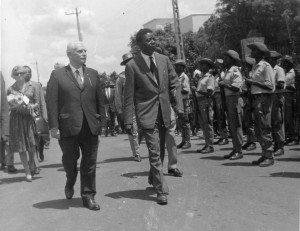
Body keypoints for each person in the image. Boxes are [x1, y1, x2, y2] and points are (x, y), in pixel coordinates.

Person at [123, 28, 183, 205]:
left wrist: (178, 106)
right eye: (149, 40)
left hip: (164, 112)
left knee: (161, 149)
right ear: (140, 44)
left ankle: (153, 177)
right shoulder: (132, 66)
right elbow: (129, 95)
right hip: (146, 114)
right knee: (154, 152)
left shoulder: (164, 60)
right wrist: (128, 120)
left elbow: (175, 83)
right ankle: (161, 189)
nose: (154, 42)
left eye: (154, 39)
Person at [47, 41, 105, 211]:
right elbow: (52, 103)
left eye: (85, 50)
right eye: (80, 51)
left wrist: (102, 122)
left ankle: (88, 196)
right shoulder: (57, 75)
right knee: (70, 161)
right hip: (67, 127)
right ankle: (70, 180)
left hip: (90, 125)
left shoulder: (93, 74)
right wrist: (54, 127)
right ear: (69, 54)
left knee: (90, 162)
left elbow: (100, 100)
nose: (84, 53)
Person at [7, 66, 40, 181]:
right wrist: (15, 104)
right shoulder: (10, 89)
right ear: (13, 76)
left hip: (28, 118)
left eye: (21, 73)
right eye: (17, 74)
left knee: (31, 144)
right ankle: (27, 172)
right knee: (22, 147)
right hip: (16, 120)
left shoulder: (31, 87)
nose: (19, 75)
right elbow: (9, 106)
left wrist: (31, 106)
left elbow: (37, 102)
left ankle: (31, 162)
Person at [245, 42, 275, 167]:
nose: (252, 52)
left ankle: (269, 155)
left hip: (263, 98)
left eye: (254, 49)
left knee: (264, 127)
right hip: (255, 98)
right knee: (258, 128)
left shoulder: (265, 66)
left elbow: (270, 86)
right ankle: (264, 154)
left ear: (260, 52)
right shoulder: (255, 66)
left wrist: (253, 82)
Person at [115, 52, 141, 162]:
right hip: (129, 108)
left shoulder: (139, 73)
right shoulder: (121, 78)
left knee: (144, 129)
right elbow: (117, 95)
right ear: (125, 64)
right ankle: (136, 153)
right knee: (133, 131)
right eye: (127, 62)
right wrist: (120, 111)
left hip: (141, 106)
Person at [220, 50, 244, 160]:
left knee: (236, 125)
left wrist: (225, 84)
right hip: (228, 99)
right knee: (232, 125)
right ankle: (235, 148)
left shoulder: (235, 71)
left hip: (234, 99)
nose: (224, 60)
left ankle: (239, 150)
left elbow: (236, 87)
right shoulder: (228, 71)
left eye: (226, 58)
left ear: (231, 59)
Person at [24, 66, 46, 168]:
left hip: (36, 117)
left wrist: (45, 117)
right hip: (24, 118)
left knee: (37, 140)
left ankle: (35, 159)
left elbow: (42, 102)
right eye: (26, 72)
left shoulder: (37, 85)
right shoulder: (17, 87)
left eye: (30, 72)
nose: (29, 73)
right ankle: (34, 162)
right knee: (29, 141)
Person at [193, 58, 215, 154]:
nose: (201, 66)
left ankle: (210, 145)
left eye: (203, 64)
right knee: (203, 124)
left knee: (208, 123)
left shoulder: (209, 77)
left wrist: (196, 90)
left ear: (207, 66)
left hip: (205, 101)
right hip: (200, 101)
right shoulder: (202, 77)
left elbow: (209, 92)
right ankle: (207, 144)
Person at [266, 51, 286, 156]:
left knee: (278, 121)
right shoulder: (269, 69)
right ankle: (276, 144)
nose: (269, 60)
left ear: (275, 60)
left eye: (271, 59)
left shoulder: (279, 70)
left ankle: (280, 146)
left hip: (277, 96)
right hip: (270, 96)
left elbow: (281, 84)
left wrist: (269, 85)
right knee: (272, 122)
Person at [0, 72, 17, 173]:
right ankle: (2, 161)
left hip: (4, 115)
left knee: (6, 140)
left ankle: (10, 163)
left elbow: (3, 104)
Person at [282, 55, 299, 146]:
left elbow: (294, 87)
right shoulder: (285, 72)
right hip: (285, 95)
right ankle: (290, 135)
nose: (284, 64)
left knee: (291, 117)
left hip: (291, 95)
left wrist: (283, 86)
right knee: (287, 117)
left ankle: (295, 137)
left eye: (286, 62)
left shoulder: (293, 73)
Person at [240, 57, 257, 151]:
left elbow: (250, 87)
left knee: (251, 121)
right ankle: (249, 140)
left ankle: (253, 142)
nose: (244, 67)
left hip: (250, 98)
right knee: (247, 121)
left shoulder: (252, 74)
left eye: (246, 65)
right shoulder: (245, 75)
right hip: (245, 99)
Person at [174, 59, 191, 149]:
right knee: (181, 122)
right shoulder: (177, 76)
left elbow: (186, 90)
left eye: (177, 66)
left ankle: (187, 141)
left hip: (184, 101)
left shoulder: (184, 77)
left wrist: (177, 90)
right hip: (179, 102)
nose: (175, 67)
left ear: (182, 67)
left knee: (185, 122)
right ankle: (183, 140)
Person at [213, 59, 229, 145]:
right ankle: (221, 135)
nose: (216, 67)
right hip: (216, 96)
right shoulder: (216, 75)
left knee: (221, 116)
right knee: (218, 117)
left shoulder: (223, 75)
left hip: (220, 96)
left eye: (217, 65)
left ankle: (225, 137)